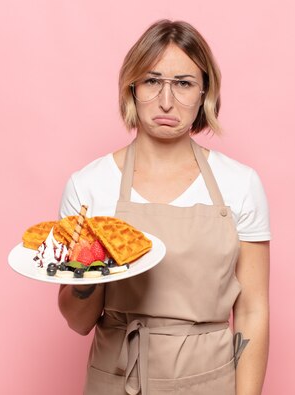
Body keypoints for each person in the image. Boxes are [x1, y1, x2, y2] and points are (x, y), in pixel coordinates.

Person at [57, 19, 270, 395]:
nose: (166, 101)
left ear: (205, 91)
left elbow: (252, 311)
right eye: (152, 81)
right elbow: (78, 321)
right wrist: (84, 273)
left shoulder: (239, 183)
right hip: (115, 379)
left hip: (209, 382)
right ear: (132, 87)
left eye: (184, 83)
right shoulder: (89, 186)